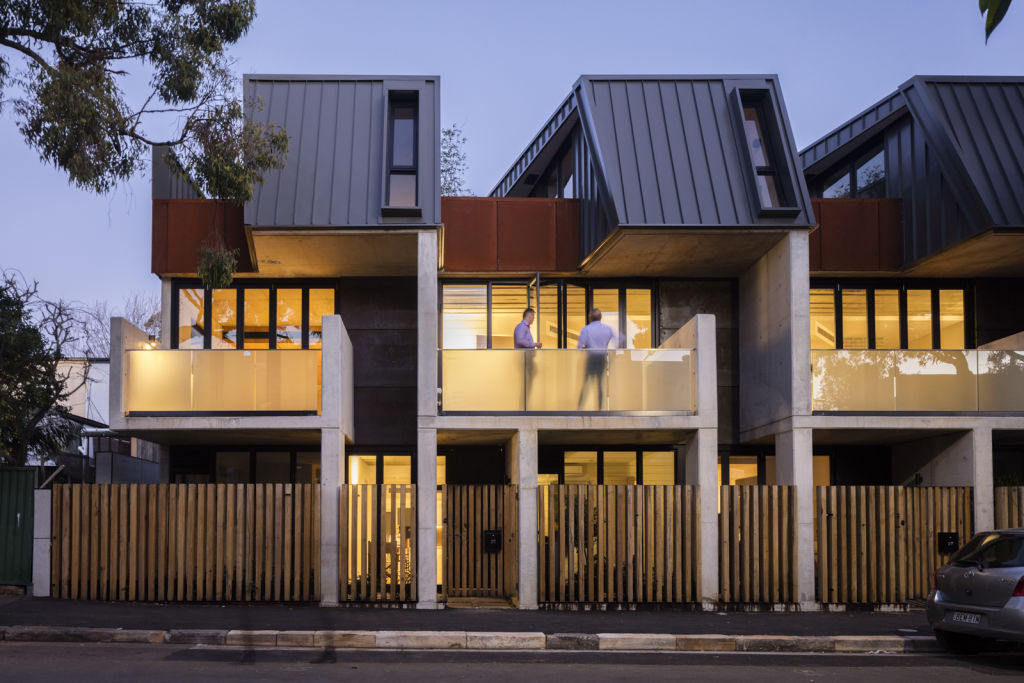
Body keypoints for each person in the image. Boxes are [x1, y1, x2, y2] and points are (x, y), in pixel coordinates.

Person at [576, 307, 616, 409]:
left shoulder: (586, 329)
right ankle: (600, 409)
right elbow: (618, 341)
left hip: (591, 358)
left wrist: (586, 347)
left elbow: (579, 347)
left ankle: (579, 409)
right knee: (600, 385)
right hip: (602, 358)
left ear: (590, 318)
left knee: (585, 385)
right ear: (601, 317)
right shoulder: (607, 329)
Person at [514, 308, 542, 409]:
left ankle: (525, 405)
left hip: (527, 360)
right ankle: (524, 406)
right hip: (524, 360)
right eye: (533, 317)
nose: (534, 319)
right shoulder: (522, 327)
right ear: (529, 316)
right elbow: (520, 341)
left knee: (527, 384)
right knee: (526, 384)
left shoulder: (525, 328)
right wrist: (534, 344)